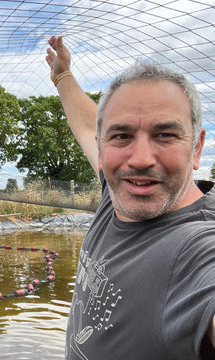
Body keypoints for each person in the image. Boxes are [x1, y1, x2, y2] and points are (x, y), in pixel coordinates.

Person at [46, 35, 215, 359]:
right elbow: (85, 125)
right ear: (102, 149)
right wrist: (63, 75)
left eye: (164, 135)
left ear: (196, 148)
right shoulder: (116, 192)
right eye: (122, 136)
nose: (140, 159)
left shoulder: (199, 247)